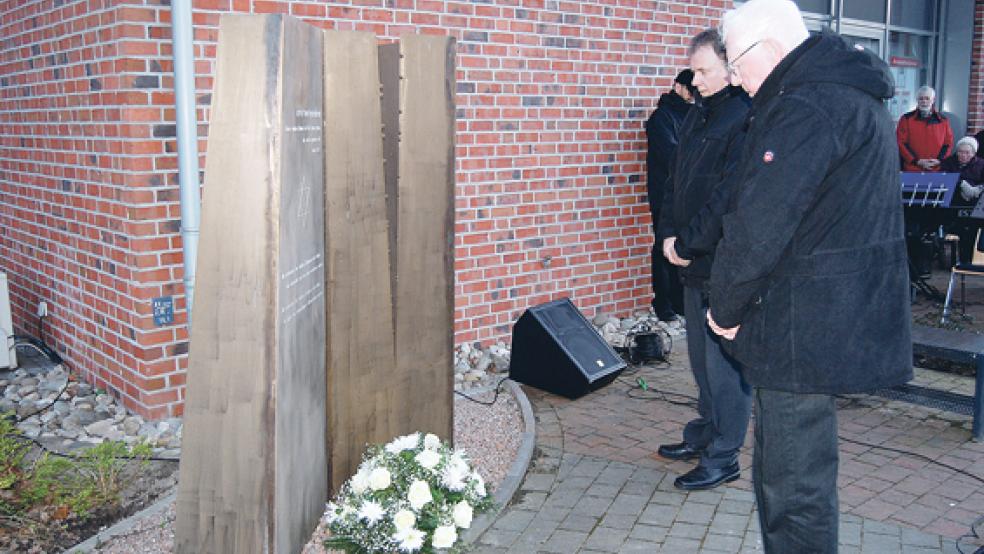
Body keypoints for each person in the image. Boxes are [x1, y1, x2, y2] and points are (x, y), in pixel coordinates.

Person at [708, 0, 913, 551]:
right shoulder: (846, 95)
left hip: (802, 326)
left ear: (770, 50)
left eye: (735, 63)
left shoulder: (807, 106)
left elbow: (760, 224)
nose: (733, 78)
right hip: (828, 313)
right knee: (802, 476)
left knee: (791, 486)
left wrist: (723, 309)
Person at [655, 28, 752, 491]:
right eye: (693, 69)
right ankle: (705, 432)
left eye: (703, 70)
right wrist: (669, 233)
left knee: (723, 367)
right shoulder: (697, 114)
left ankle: (724, 455)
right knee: (699, 360)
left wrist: (688, 242)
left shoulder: (743, 117)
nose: (695, 79)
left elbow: (726, 197)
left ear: (730, 68)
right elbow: (677, 181)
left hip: (721, 263)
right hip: (691, 258)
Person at [644, 70, 694, 321]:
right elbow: (672, 154)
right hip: (664, 192)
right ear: (678, 87)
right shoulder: (661, 118)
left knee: (684, 244)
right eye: (690, 88)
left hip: (686, 191)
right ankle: (662, 302)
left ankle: (679, 300)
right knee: (662, 244)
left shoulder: (693, 115)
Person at [940, 136, 984, 262]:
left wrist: (978, 189)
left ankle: (969, 260)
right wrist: (961, 183)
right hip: (953, 204)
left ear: (973, 153)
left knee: (972, 230)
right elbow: (944, 176)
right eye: (960, 152)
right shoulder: (949, 162)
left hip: (974, 205)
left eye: (967, 152)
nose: (963, 155)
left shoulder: (981, 164)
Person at [896, 85, 954, 172]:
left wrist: (939, 160)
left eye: (927, 98)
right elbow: (900, 142)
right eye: (921, 98)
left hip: (936, 169)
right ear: (917, 100)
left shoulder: (943, 120)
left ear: (933, 100)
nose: (924, 101)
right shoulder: (906, 119)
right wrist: (917, 161)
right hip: (912, 169)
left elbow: (948, 143)